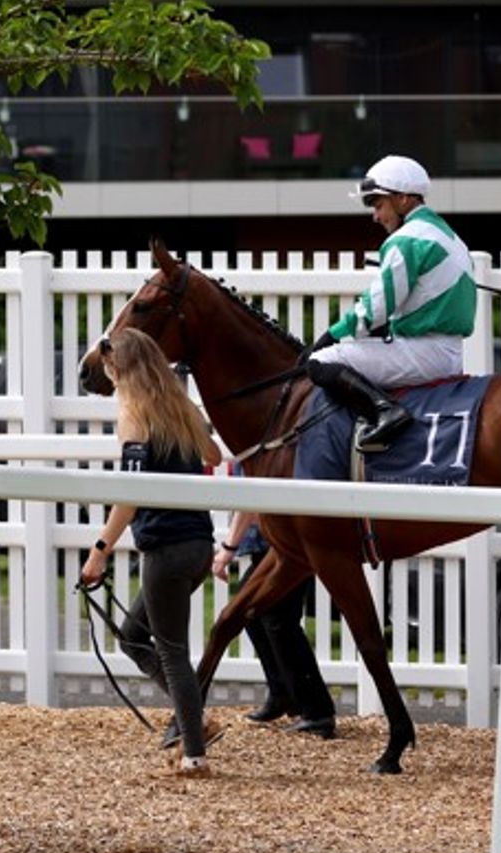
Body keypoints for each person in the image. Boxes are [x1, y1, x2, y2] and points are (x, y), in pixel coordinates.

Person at [78, 327, 225, 777]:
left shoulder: (134, 418)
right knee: (132, 635)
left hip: (164, 546)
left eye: (108, 368)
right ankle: (192, 718)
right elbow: (215, 456)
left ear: (118, 367)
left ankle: (195, 752)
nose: (108, 377)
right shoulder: (183, 409)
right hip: (199, 542)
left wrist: (100, 550)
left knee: (172, 651)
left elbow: (130, 495)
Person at [307, 154, 475, 452]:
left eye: (378, 205)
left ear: (404, 200)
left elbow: (375, 309)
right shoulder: (447, 234)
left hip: (425, 354)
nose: (375, 215)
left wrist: (330, 336)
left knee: (321, 362)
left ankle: (386, 411)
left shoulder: (405, 240)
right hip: (448, 351)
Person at [214, 511, 336, 738]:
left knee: (277, 619)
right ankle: (284, 693)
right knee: (253, 612)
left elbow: (250, 500)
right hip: (277, 544)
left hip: (285, 545)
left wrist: (228, 549)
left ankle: (317, 712)